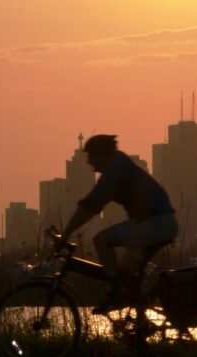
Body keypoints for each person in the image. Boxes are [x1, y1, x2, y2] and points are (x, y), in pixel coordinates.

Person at [56, 134, 178, 315]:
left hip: (154, 224)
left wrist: (65, 235)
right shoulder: (119, 166)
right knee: (127, 273)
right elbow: (93, 205)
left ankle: (115, 292)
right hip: (157, 224)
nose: (89, 162)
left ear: (102, 155)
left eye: (91, 156)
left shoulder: (115, 170)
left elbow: (90, 206)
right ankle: (138, 321)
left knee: (101, 240)